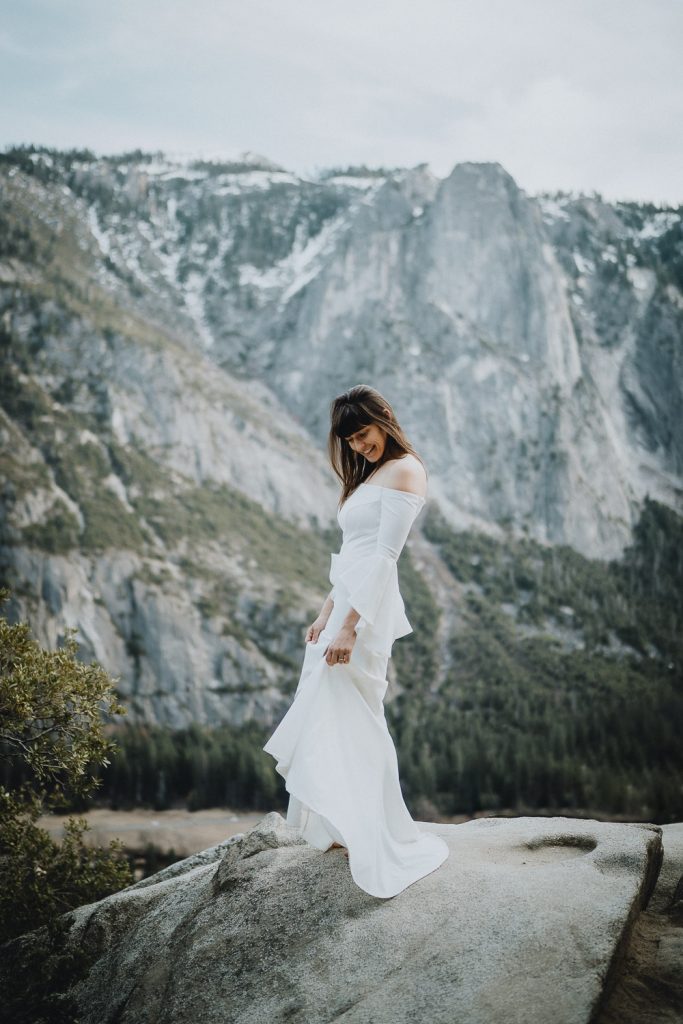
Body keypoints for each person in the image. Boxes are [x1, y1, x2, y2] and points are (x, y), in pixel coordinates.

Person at [263, 384, 449, 898]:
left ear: (383, 418)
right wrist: (326, 614)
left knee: (359, 717)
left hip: (366, 614)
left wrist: (349, 626)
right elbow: (352, 555)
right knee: (331, 714)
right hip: (347, 607)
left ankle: (377, 830)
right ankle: (343, 826)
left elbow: (385, 559)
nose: (359, 447)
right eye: (350, 440)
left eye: (362, 434)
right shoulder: (371, 475)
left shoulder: (407, 470)